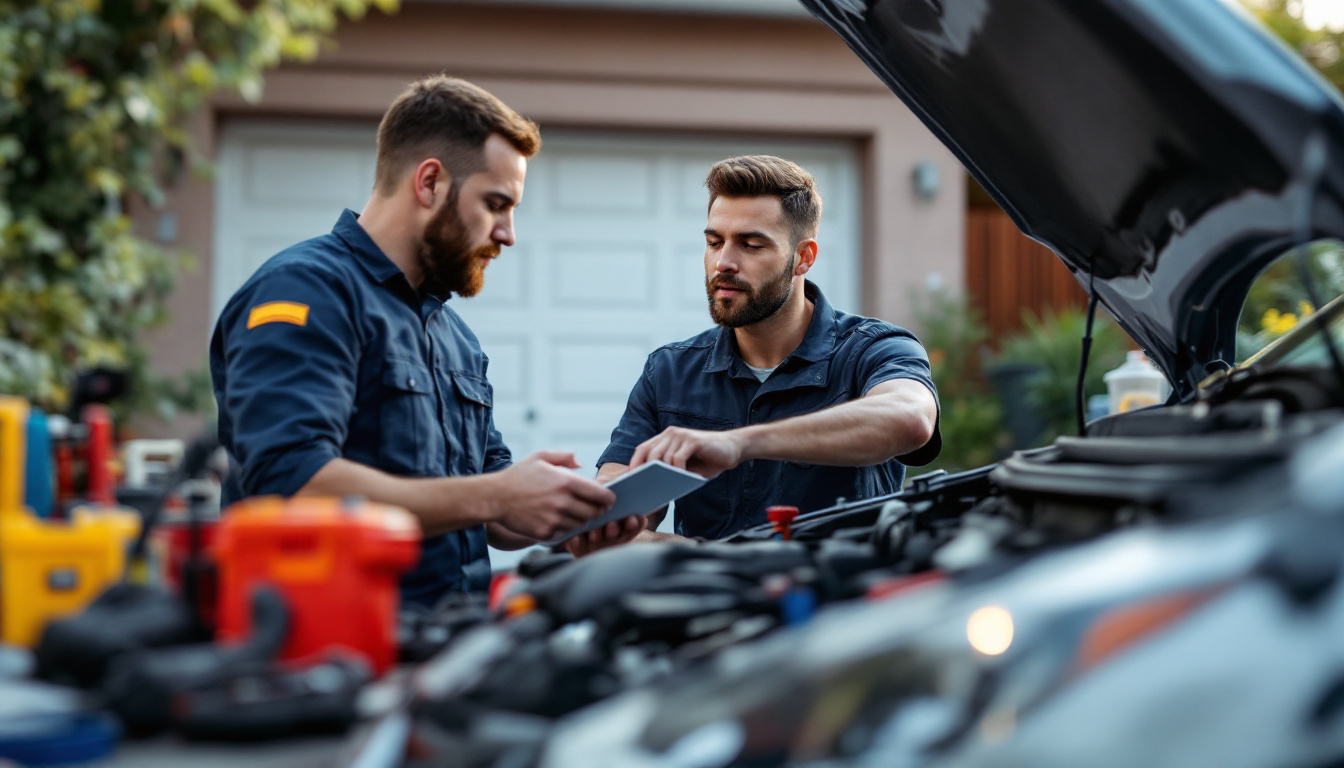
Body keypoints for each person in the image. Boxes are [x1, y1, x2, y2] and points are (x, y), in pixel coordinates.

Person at [211, 75, 618, 605]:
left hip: (452, 641)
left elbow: (490, 511)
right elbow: (291, 483)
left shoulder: (457, 339)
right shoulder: (303, 291)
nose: (508, 233)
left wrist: (565, 514)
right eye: (496, 203)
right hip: (329, 650)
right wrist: (498, 492)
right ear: (429, 183)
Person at [567, 155, 940, 555]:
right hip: (715, 607)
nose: (723, 263)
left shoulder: (873, 349)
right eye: (714, 242)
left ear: (803, 258)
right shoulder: (670, 372)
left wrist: (741, 444)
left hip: (844, 606)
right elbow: (607, 525)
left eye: (751, 244)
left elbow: (910, 418)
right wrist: (713, 557)